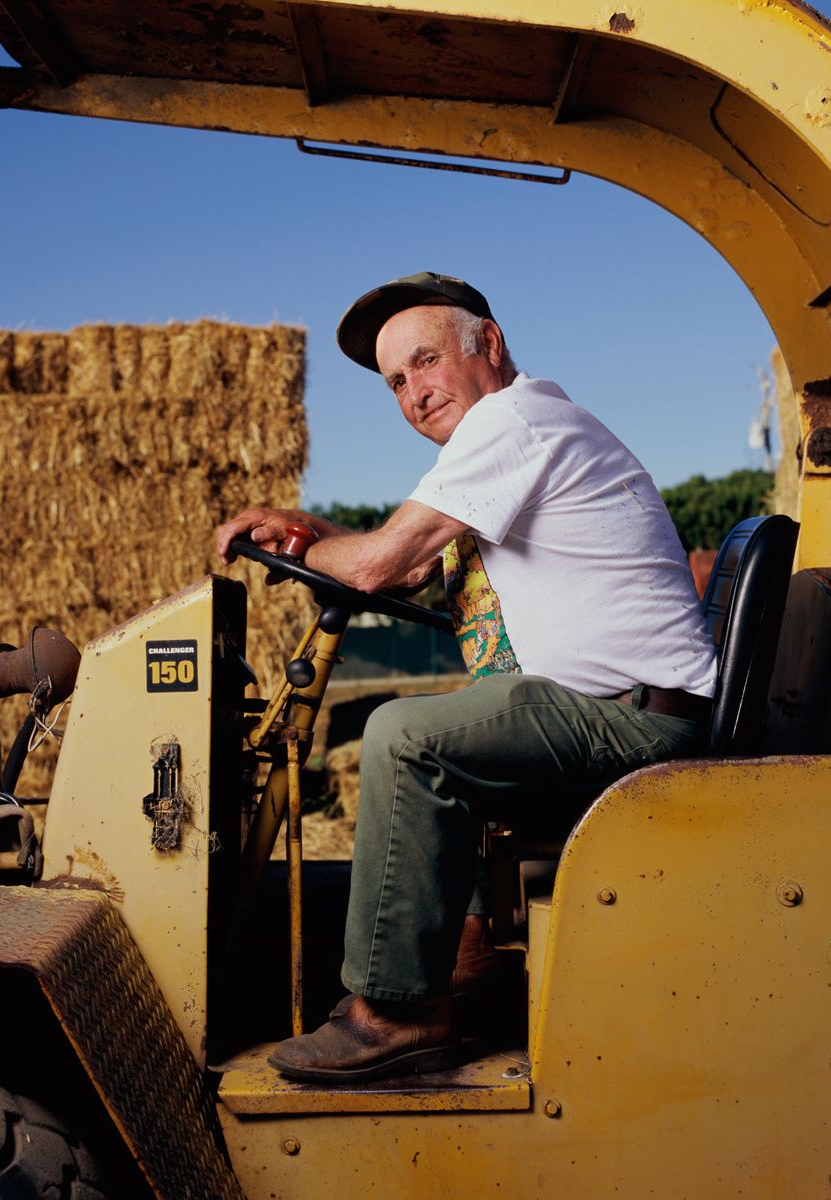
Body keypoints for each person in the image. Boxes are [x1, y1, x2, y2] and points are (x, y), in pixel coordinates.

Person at [215, 271, 717, 1083]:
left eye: (425, 361)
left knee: (406, 737)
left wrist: (304, 549)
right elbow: (403, 554)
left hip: (637, 720)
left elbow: (383, 565)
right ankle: (468, 962)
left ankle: (398, 1010)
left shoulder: (511, 420)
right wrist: (313, 532)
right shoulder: (516, 433)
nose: (414, 393)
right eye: (396, 382)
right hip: (613, 705)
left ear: (488, 343)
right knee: (470, 715)